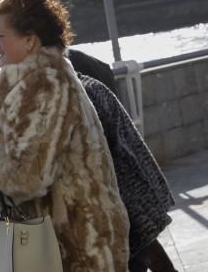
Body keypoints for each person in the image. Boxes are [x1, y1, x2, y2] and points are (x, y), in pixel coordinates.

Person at [0, 0, 129, 270]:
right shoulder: (25, 85)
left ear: (29, 41)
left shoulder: (44, 85)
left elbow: (29, 176)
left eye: (0, 36)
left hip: (72, 248)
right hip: (49, 246)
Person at [76, 73, 178, 272]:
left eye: (1, 38)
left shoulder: (80, 93)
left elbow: (112, 157)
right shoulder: (88, 81)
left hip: (117, 204)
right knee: (147, 255)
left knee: (146, 255)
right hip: (121, 202)